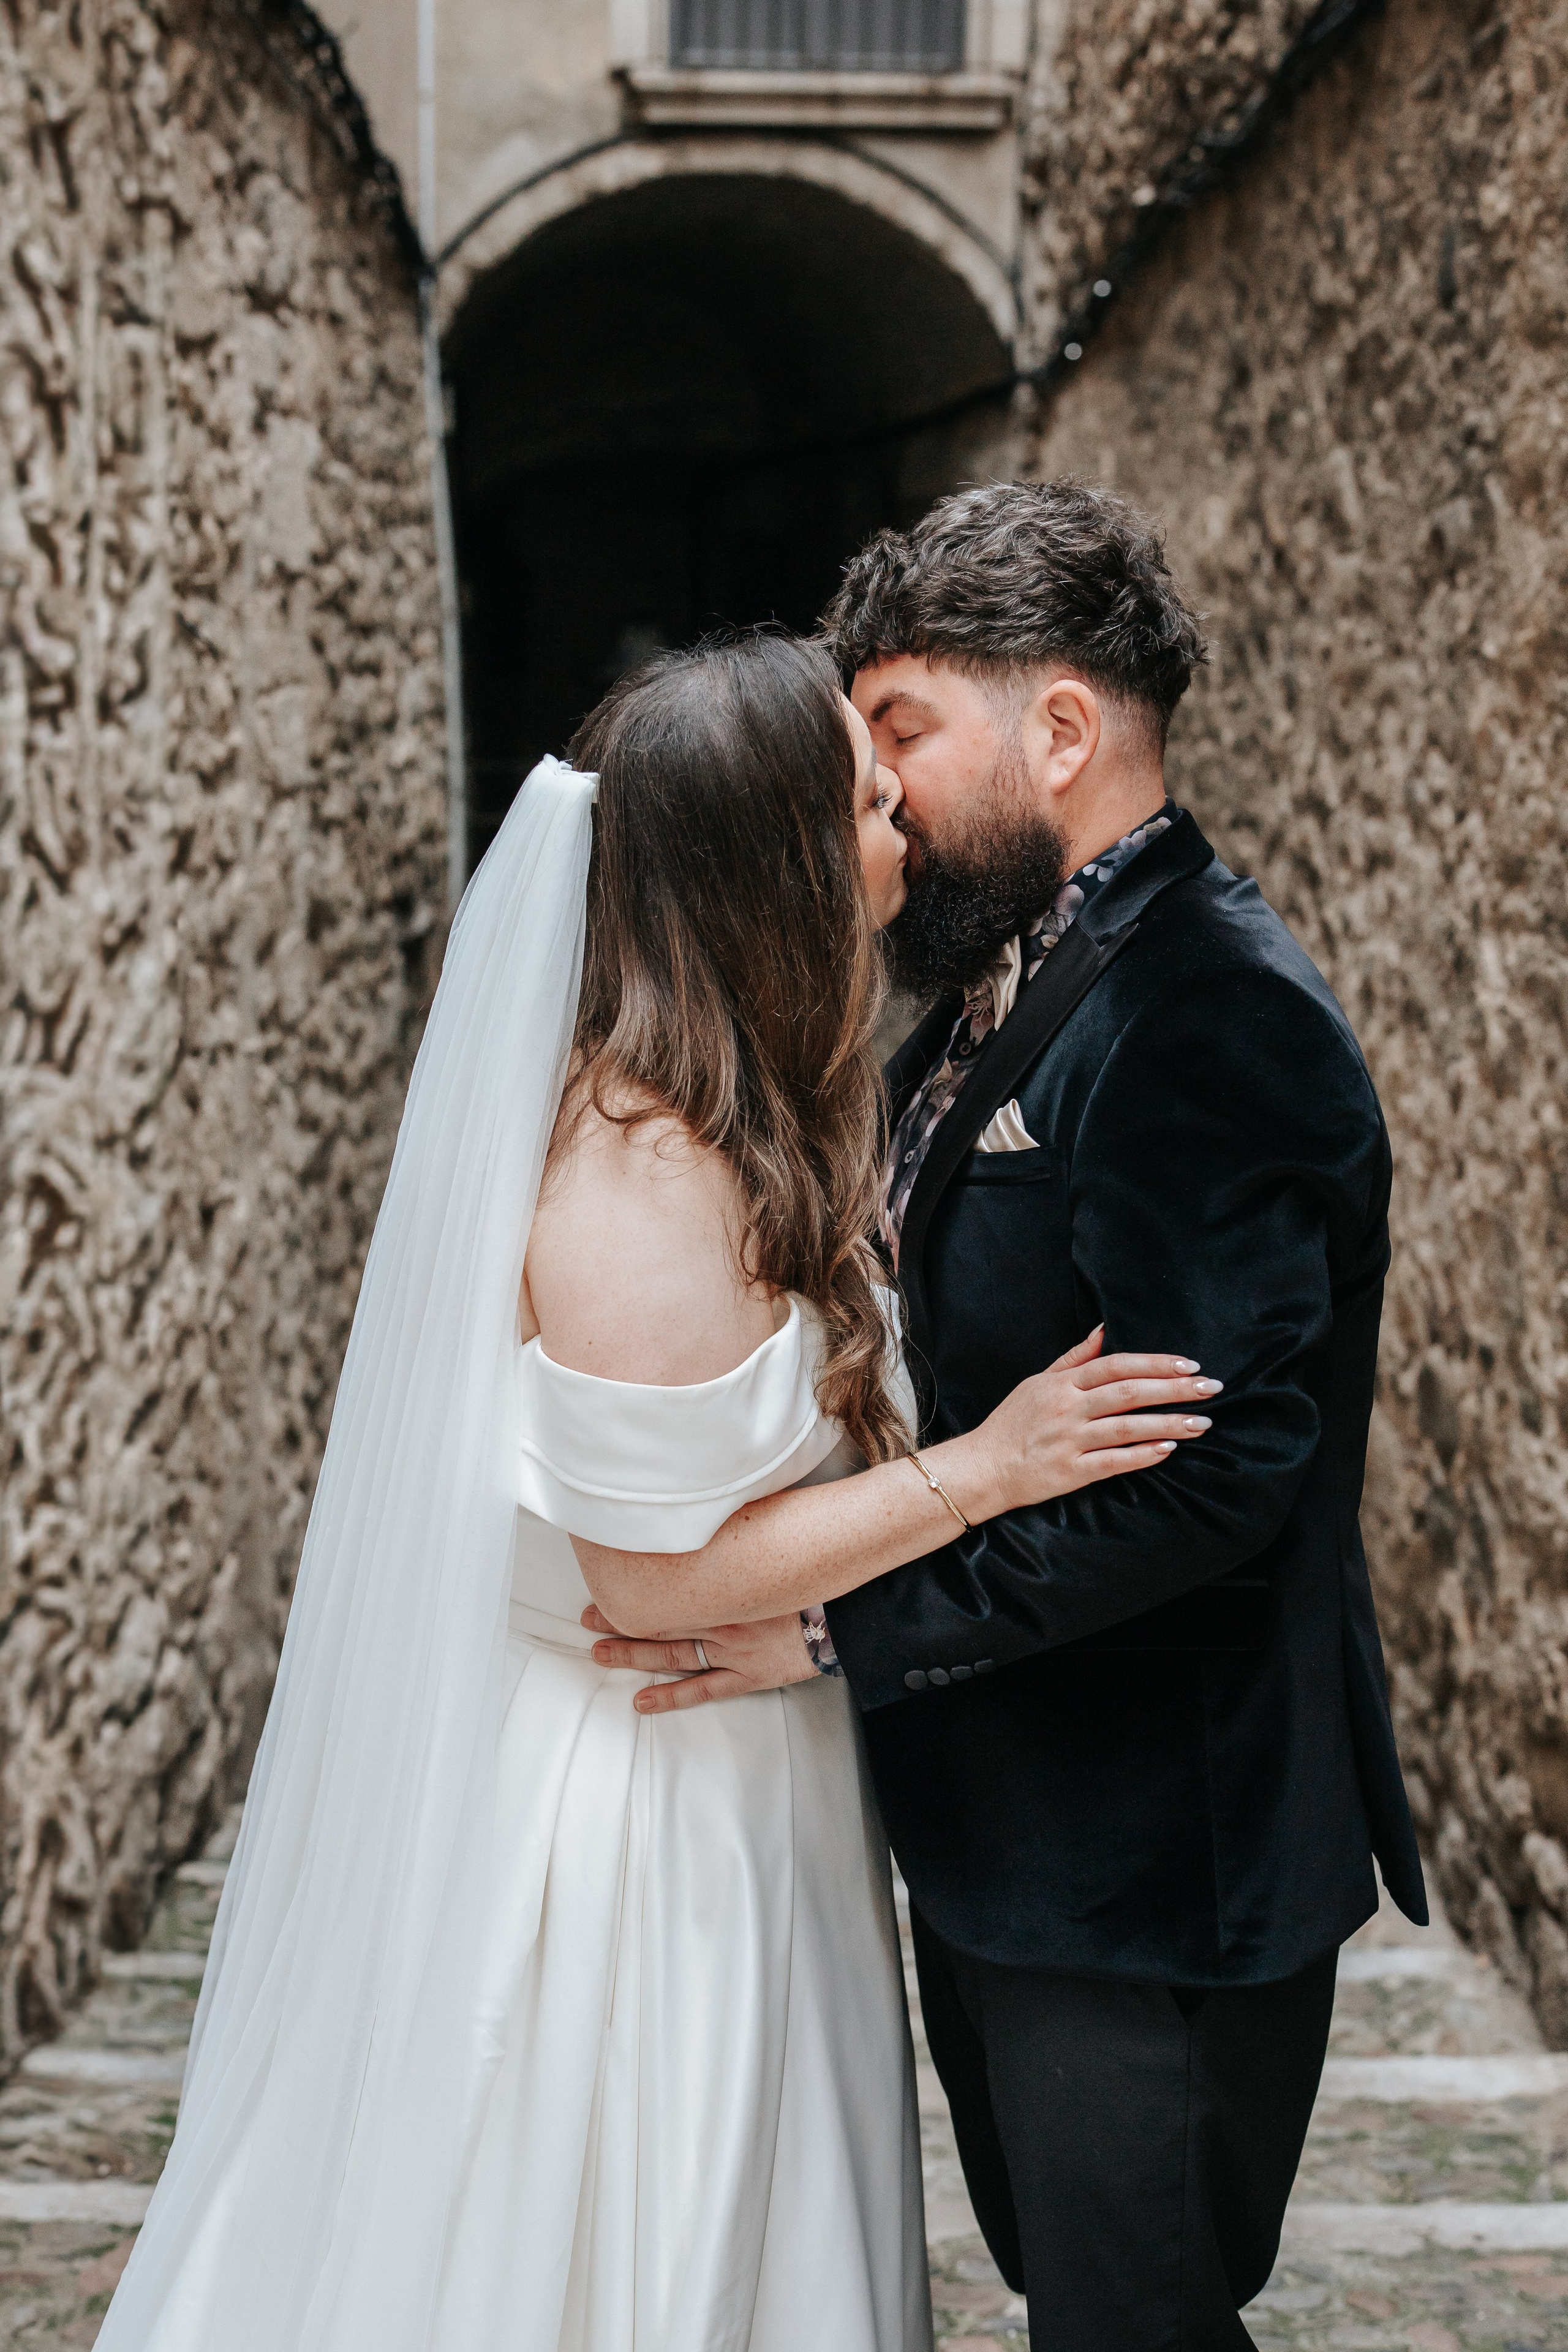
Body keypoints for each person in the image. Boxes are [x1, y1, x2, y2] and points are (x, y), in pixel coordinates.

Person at [98, 631, 1215, 2352]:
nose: (901, 823)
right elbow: (652, 1582)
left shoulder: (737, 1108)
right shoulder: (637, 1174)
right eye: (861, 801)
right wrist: (992, 1472)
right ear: (774, 862)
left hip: (746, 1775)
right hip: (641, 1829)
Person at [598, 486, 1428, 2351]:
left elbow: (1213, 1474)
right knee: (1082, 2298)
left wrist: (829, 1625)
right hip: (1014, 1839)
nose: (872, 797)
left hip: (1156, 1858)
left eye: (899, 736)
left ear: (1057, 730)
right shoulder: (991, 1002)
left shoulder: (1214, 1009)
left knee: (1135, 2320)